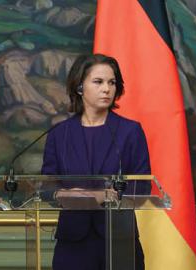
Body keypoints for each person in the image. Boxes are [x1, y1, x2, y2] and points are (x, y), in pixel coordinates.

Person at [41, 54, 151, 270]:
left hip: (119, 238)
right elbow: (46, 185)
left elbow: (142, 185)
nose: (107, 89)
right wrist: (63, 194)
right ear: (80, 87)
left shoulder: (130, 131)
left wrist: (104, 196)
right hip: (73, 241)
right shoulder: (59, 134)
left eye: (112, 82)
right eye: (98, 82)